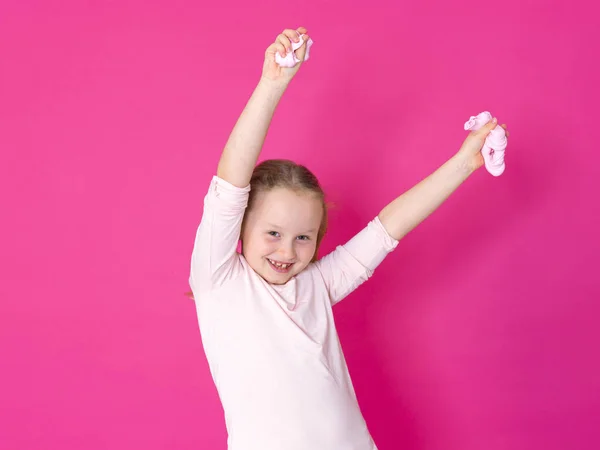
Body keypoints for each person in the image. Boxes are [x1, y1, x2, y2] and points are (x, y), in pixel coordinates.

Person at [188, 26, 509, 450]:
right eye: (273, 233)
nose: (287, 250)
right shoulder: (220, 282)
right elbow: (229, 186)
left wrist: (464, 163)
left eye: (303, 237)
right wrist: (273, 84)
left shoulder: (316, 285)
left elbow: (387, 228)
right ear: (238, 228)